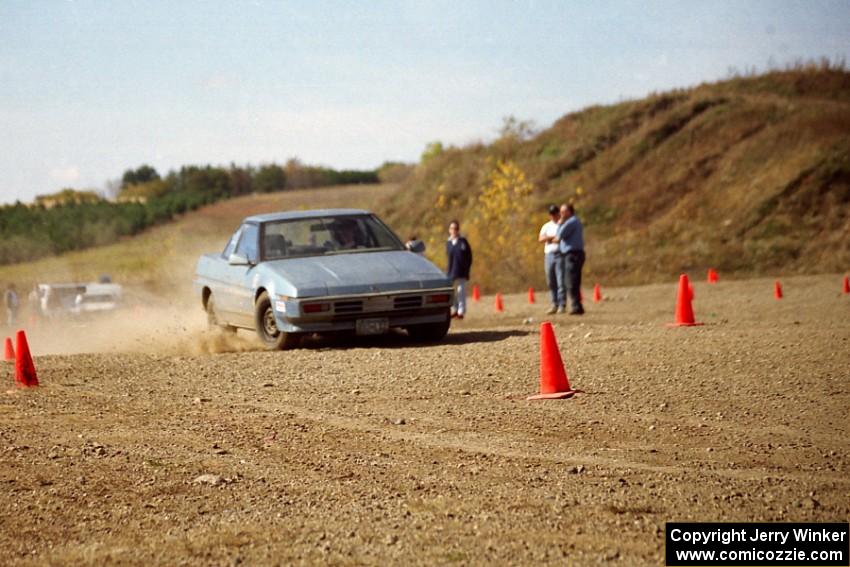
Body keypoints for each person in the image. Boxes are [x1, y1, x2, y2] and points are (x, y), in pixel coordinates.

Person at [555, 204, 585, 315]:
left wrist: (559, 223)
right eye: (561, 211)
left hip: (573, 254)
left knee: (571, 281)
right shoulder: (574, 221)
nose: (561, 214)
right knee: (574, 281)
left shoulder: (571, 222)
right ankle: (577, 306)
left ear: (570, 211)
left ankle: (576, 306)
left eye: (564, 211)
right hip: (574, 254)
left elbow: (559, 235)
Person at [539, 204, 565, 315]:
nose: (554, 216)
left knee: (560, 280)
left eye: (556, 213)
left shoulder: (562, 225)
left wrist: (550, 238)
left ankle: (562, 304)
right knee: (551, 281)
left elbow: (560, 238)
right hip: (549, 255)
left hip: (560, 254)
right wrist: (551, 238)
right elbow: (541, 238)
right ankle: (554, 303)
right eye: (552, 214)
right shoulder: (546, 226)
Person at [445, 220, 472, 319]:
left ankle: (461, 311)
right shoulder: (448, 243)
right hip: (451, 271)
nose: (454, 230)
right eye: (452, 228)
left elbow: (469, 257)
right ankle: (455, 309)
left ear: (458, 230)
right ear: (449, 230)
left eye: (456, 228)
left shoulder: (463, 242)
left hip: (461, 271)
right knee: (450, 292)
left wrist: (467, 269)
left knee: (461, 291)